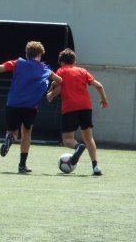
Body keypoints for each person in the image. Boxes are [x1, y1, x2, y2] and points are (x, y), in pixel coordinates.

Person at [0, 41, 61, 174]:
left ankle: (10, 139)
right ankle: (22, 165)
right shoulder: (44, 69)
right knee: (26, 133)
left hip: (13, 104)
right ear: (39, 55)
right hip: (30, 107)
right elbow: (60, 80)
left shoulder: (18, 63)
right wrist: (52, 87)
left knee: (12, 132)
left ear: (27, 54)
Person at [46, 48, 109, 176]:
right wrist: (103, 99)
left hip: (70, 108)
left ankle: (78, 147)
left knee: (67, 139)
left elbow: (59, 88)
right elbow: (99, 86)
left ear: (61, 62)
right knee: (89, 138)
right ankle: (96, 166)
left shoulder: (61, 71)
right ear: (74, 61)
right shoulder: (82, 71)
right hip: (86, 107)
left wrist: (50, 95)